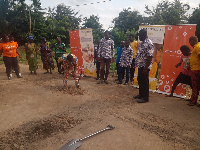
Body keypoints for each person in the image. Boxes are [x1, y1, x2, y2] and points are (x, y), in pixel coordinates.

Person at [134, 29, 154, 103]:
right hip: (140, 65)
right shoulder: (142, 43)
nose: (139, 37)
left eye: (140, 36)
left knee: (144, 82)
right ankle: (141, 95)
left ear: (144, 35)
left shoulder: (149, 43)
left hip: (145, 66)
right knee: (140, 80)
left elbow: (149, 57)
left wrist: (145, 68)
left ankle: (145, 98)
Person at [188, 36, 200, 106]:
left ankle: (193, 100)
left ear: (192, 40)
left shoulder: (198, 47)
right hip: (195, 69)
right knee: (195, 86)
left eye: (190, 42)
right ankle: (193, 98)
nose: (189, 43)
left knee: (195, 86)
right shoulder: (196, 47)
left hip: (196, 69)